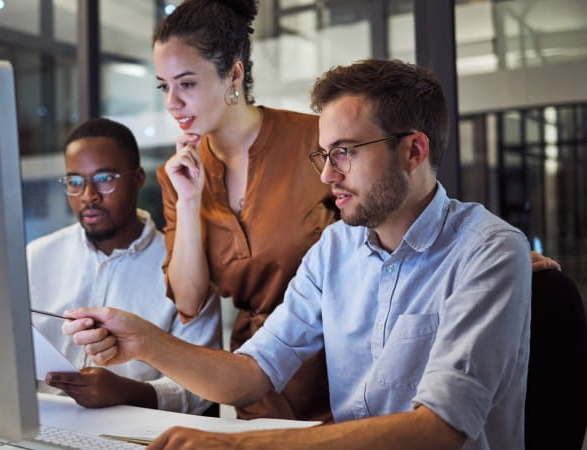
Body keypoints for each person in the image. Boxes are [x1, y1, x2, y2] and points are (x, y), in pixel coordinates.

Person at [64, 60, 532, 449]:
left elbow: (438, 430)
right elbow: (252, 374)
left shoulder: (488, 251)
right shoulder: (335, 249)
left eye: (345, 152)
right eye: (324, 154)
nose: (327, 175)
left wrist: (240, 444)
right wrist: (146, 342)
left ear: (413, 151)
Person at [153, 0, 336, 420]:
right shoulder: (179, 174)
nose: (173, 103)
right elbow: (190, 299)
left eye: (187, 83)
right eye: (164, 86)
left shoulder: (317, 140)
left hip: (341, 373)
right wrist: (191, 198)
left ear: (233, 74)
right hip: (254, 381)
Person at [26, 117, 221, 414]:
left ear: (138, 179)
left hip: (139, 435)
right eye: (75, 182)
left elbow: (206, 387)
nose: (88, 196)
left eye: (105, 179)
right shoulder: (36, 257)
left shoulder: (184, 267)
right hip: (42, 423)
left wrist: (129, 392)